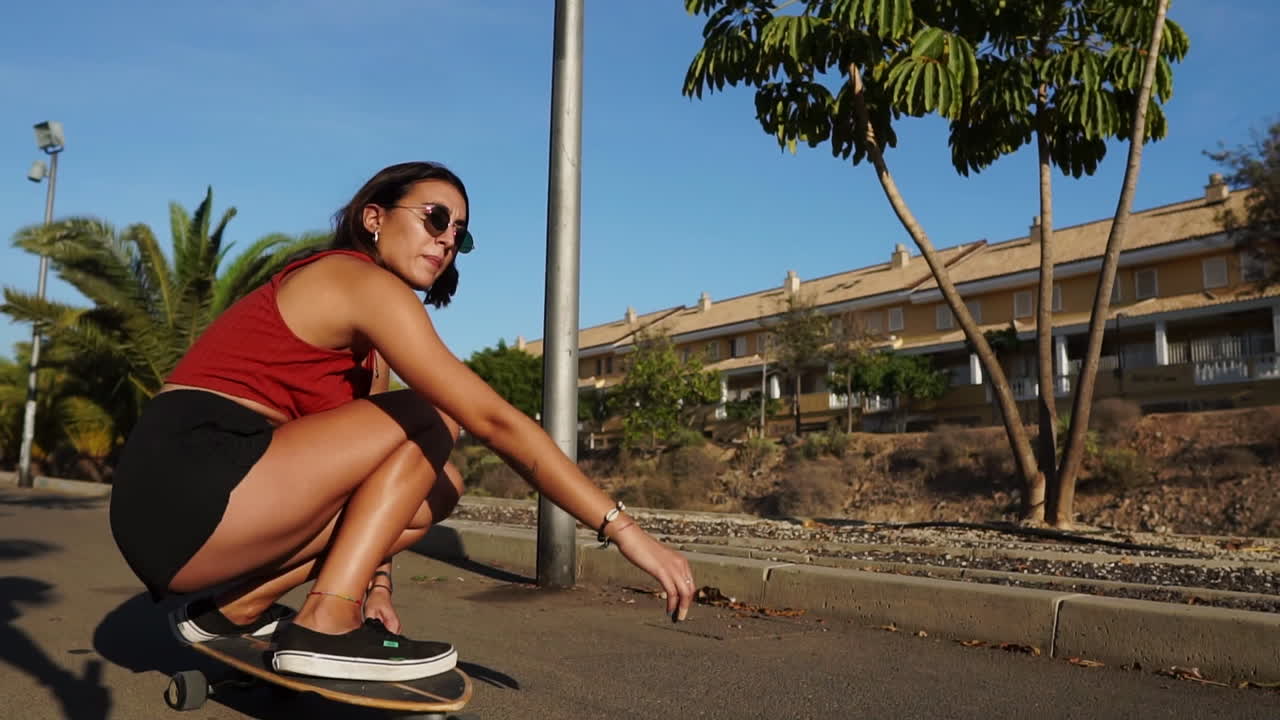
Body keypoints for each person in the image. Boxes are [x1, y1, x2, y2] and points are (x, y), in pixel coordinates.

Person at [108, 161, 696, 683]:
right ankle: (325, 621)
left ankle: (232, 612)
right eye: (435, 218)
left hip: (198, 514)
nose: (447, 239)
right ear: (374, 218)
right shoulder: (355, 280)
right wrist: (625, 530)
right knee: (436, 414)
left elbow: (379, 483)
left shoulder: (371, 350)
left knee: (439, 488)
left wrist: (377, 587)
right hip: (189, 478)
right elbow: (493, 419)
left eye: (460, 234)